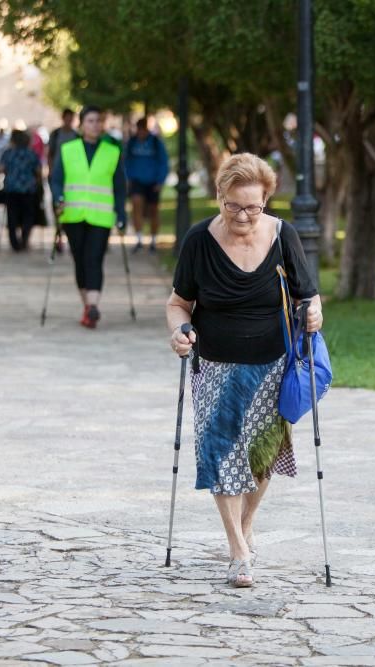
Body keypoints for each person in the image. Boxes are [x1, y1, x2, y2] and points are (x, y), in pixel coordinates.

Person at [165, 153, 323, 588]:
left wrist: (313, 315)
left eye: (252, 207)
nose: (242, 215)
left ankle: (246, 525)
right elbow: (179, 301)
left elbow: (309, 296)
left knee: (260, 457)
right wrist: (180, 331)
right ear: (219, 197)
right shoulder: (199, 241)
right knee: (221, 455)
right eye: (233, 206)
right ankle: (238, 549)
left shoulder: (282, 235)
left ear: (267, 200)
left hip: (272, 365)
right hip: (215, 363)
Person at [49, 105, 127, 329]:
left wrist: (121, 215)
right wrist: (58, 198)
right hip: (73, 214)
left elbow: (120, 187)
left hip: (100, 216)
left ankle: (93, 306)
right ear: (81, 124)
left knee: (94, 259)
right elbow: (55, 180)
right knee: (80, 260)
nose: (95, 125)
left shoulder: (112, 151)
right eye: (91, 121)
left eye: (98, 121)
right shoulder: (67, 149)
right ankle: (87, 305)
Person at [125, 118, 169, 253]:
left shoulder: (156, 142)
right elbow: (126, 161)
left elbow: (164, 162)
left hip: (153, 182)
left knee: (153, 211)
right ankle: (139, 239)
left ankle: (153, 240)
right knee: (136, 205)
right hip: (137, 181)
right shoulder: (132, 143)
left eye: (142, 129)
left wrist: (160, 181)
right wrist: (128, 178)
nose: (140, 132)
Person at [0, 129, 42, 251]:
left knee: (12, 216)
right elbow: (38, 171)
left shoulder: (8, 153)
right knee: (28, 215)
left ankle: (14, 243)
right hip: (28, 189)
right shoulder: (31, 153)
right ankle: (24, 238)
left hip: (11, 189)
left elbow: (0, 169)